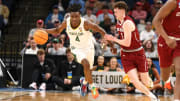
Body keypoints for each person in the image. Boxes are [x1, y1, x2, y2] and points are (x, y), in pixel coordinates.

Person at [44, 4, 114, 98]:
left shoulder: (86, 23)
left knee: (89, 70)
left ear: (80, 16)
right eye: (72, 16)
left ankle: (84, 83)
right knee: (85, 64)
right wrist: (45, 31)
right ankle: (93, 87)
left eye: (76, 16)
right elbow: (57, 30)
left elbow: (101, 31)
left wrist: (112, 45)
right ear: (70, 16)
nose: (74, 19)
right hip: (75, 48)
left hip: (88, 47)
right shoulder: (66, 22)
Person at [105, 1, 159, 101]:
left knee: (146, 81)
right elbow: (121, 39)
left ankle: (149, 83)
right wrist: (112, 43)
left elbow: (127, 43)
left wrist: (113, 39)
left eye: (116, 12)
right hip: (126, 55)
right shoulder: (118, 22)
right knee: (135, 82)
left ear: (122, 11)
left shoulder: (127, 23)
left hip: (138, 53)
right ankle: (152, 97)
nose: (114, 14)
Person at [153, 0, 180, 100]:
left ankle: (176, 99)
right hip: (166, 40)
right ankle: (168, 81)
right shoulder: (173, 3)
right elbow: (156, 21)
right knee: (164, 76)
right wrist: (167, 39)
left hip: (179, 43)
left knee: (179, 71)